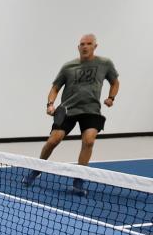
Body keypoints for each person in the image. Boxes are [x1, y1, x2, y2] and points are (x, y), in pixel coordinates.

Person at [23, 33, 119, 195]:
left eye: (89, 43)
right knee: (53, 140)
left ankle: (78, 180)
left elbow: (115, 82)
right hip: (68, 110)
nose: (85, 46)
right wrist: (50, 104)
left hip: (91, 110)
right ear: (78, 47)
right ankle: (36, 169)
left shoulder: (105, 64)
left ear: (95, 46)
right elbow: (55, 88)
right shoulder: (68, 67)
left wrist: (111, 97)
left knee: (89, 141)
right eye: (82, 44)